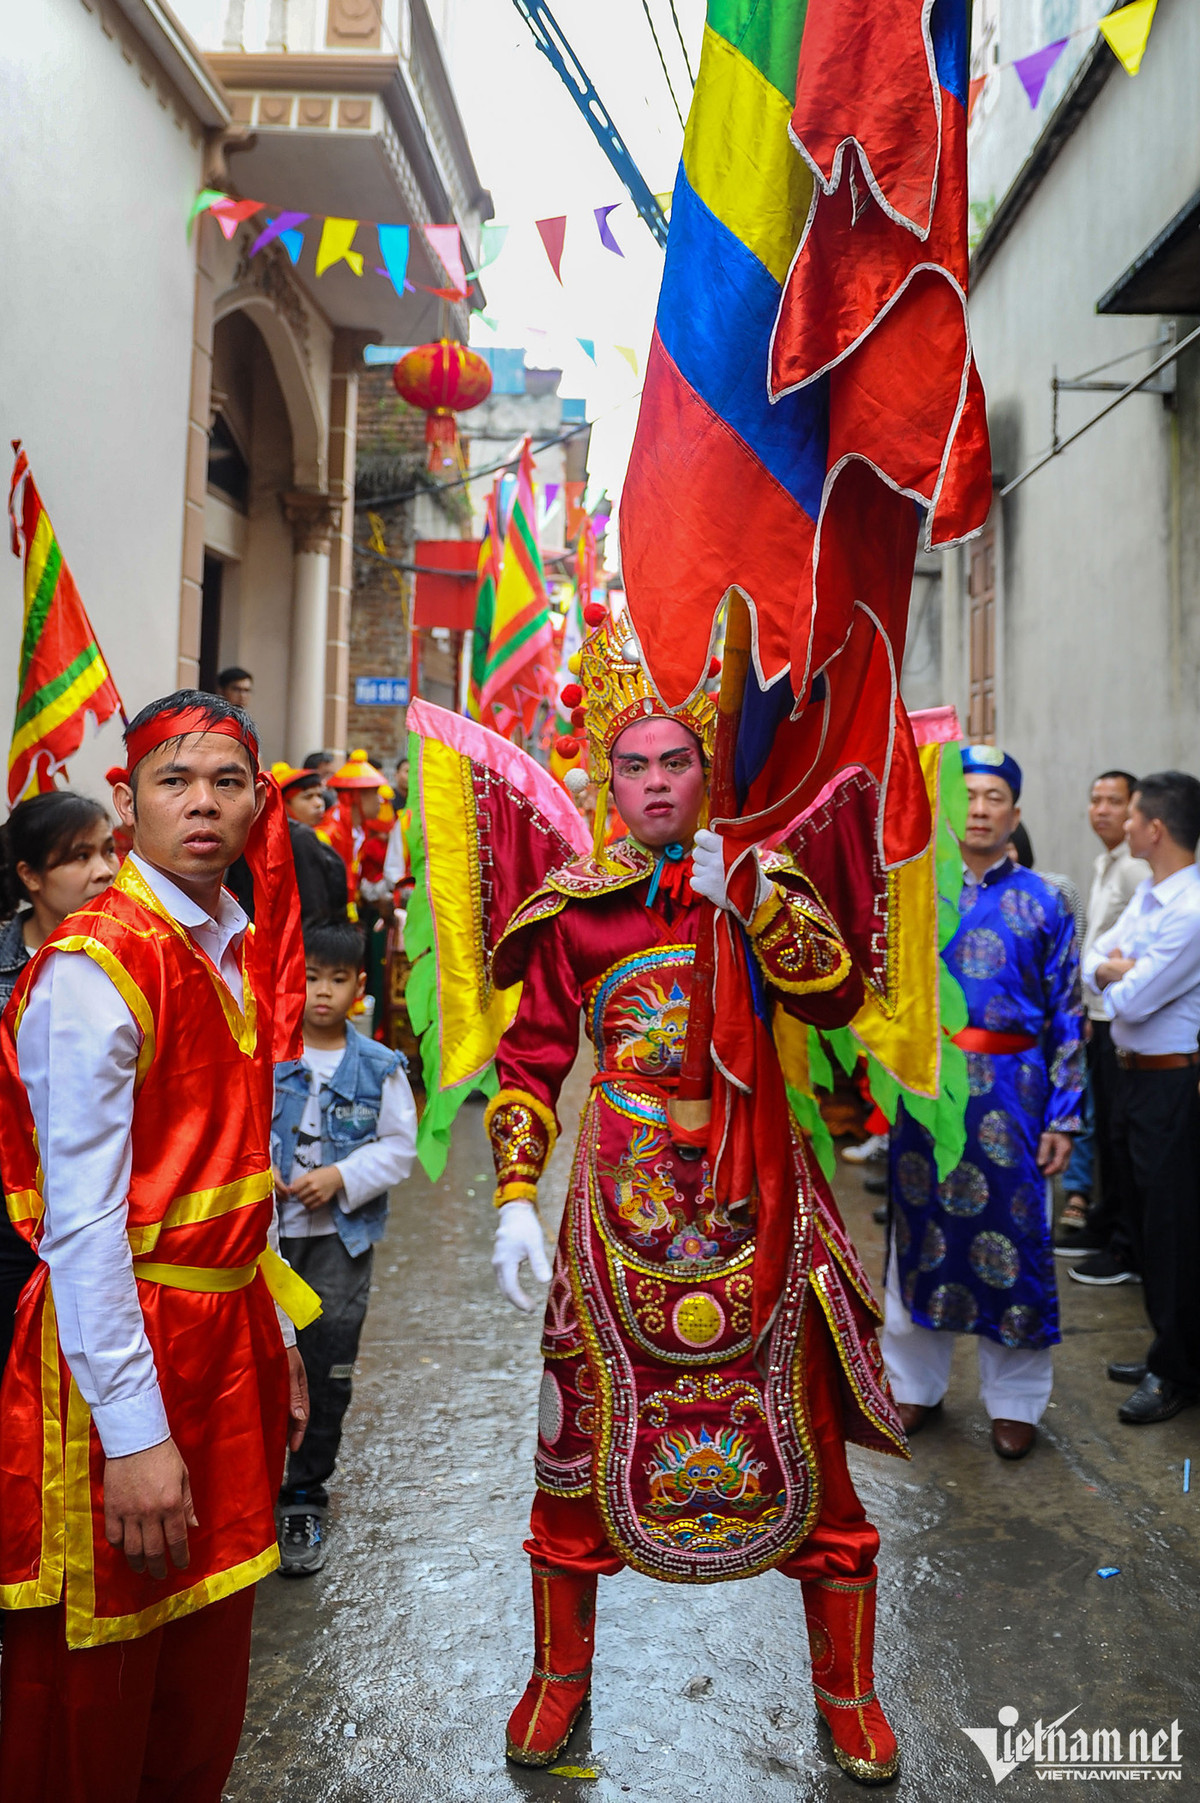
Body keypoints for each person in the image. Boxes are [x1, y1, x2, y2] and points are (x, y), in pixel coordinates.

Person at [485, 614, 906, 1784]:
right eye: (635, 764)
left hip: (758, 1212)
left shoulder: (761, 877)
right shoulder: (575, 906)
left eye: (676, 761)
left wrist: (757, 900)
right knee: (575, 1461)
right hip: (615, 1224)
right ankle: (557, 1681)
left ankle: (850, 1693)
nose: (656, 782)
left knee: (810, 1454)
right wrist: (518, 1190)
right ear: (605, 777)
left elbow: (833, 1000)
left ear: (706, 770)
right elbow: (531, 1061)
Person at [0, 690, 314, 1802]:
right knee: (103, 1675)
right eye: (175, 782)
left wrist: (269, 1328)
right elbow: (82, 1226)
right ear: (128, 802)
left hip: (220, 1334)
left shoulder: (230, 943)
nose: (203, 805)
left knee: (205, 1652)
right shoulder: (97, 965)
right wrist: (133, 1436)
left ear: (255, 803)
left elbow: (230, 1174)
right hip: (124, 1351)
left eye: (226, 783)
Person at [881, 746, 1084, 1462]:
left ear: (1016, 813)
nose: (979, 807)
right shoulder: (911, 896)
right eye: (967, 793)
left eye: (995, 795)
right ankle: (915, 1386)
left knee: (1016, 1246)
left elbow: (1068, 1013)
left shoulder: (1048, 900)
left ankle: (1017, 1402)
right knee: (919, 1241)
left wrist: (1064, 1114)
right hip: (928, 1094)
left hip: (1014, 1098)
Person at [272, 916, 416, 1574]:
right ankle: (249, 1490)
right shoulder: (265, 1053)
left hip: (338, 1242)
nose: (321, 992)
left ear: (361, 986)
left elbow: (399, 1149)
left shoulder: (380, 1065)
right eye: (309, 977)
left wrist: (339, 1176)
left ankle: (304, 1492)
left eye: (337, 979)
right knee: (261, 1360)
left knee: (327, 1364)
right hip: (264, 1243)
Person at [1081, 771, 1200, 1426]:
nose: (1123, 823)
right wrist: (1117, 965)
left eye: (1132, 817)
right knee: (1147, 1220)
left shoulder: (1190, 909)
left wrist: (1117, 970)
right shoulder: (1152, 894)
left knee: (1171, 1228)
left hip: (1169, 1081)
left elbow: (1131, 995)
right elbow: (1090, 962)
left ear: (1155, 828)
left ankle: (1178, 1368)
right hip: (1131, 1072)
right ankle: (1170, 1348)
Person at [0, 793, 120, 1375]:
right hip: (11, 1217)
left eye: (108, 850)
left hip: (112, 1211)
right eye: (79, 856)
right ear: (30, 876)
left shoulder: (137, 954)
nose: (104, 870)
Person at [1062, 772, 1150, 1272]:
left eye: (1114, 802)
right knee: (1105, 1130)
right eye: (1095, 800)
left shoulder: (1137, 870)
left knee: (1119, 1134)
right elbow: (1096, 947)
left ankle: (1124, 1242)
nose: (1101, 810)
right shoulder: (1106, 864)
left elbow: (1133, 954)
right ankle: (1109, 1223)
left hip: (1125, 1017)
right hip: (1099, 1014)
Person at [272, 762, 349, 925]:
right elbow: (313, 903)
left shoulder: (308, 835)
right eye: (308, 797)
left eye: (319, 795)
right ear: (284, 804)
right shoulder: (300, 837)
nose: (318, 803)